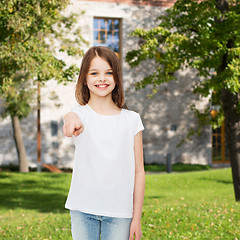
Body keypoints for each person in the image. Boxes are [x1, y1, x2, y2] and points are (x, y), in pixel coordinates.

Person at [63, 46, 145, 240]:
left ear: (116, 77)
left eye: (108, 72)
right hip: (82, 209)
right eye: (94, 73)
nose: (102, 78)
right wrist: (71, 121)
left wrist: (136, 218)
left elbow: (139, 171)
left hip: (120, 213)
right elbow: (70, 118)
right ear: (85, 78)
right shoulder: (79, 114)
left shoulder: (131, 120)